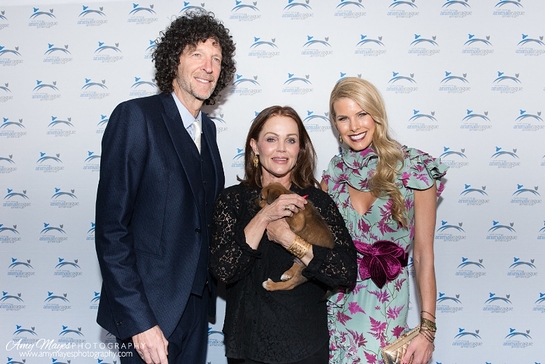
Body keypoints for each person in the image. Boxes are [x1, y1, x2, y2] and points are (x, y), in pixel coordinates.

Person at [94, 11, 236, 364]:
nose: (208, 66)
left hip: (196, 309)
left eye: (216, 59)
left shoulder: (211, 132)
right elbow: (112, 229)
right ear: (174, 60)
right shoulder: (136, 118)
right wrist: (140, 322)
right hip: (149, 313)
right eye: (197, 54)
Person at [210, 106, 357, 364]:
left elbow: (345, 271)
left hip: (305, 345)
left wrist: (290, 240)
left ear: (299, 150)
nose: (281, 149)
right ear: (255, 146)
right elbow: (224, 270)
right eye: (271, 139)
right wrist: (265, 215)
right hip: (247, 346)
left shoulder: (317, 201)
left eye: (290, 140)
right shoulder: (232, 200)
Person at [322, 78, 448, 364]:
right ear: (335, 125)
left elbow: (424, 255)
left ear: (377, 114)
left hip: (387, 302)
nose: (354, 126)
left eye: (361, 114)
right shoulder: (335, 171)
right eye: (344, 118)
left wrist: (427, 330)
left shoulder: (414, 169)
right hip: (337, 303)